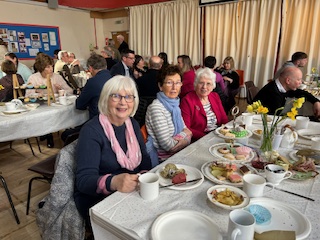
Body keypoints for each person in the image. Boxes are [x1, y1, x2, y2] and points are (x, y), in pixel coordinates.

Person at [74, 75, 152, 227]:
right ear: (105, 99)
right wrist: (113, 182)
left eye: (128, 97)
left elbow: (145, 159)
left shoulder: (132, 124)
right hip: (98, 199)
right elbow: (83, 181)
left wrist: (143, 177)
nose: (123, 102)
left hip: (131, 191)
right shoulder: (92, 131)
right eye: (116, 96)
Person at [145, 65, 192, 161]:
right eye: (169, 83)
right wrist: (186, 138)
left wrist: (186, 136)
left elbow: (187, 130)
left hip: (178, 154)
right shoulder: (156, 108)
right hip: (165, 160)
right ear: (160, 86)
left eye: (178, 83)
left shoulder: (175, 105)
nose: (174, 87)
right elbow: (168, 146)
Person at [26, 53, 73, 148]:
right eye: (48, 67)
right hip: (41, 106)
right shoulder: (33, 78)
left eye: (51, 66)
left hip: (56, 105)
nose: (51, 69)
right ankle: (48, 135)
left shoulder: (56, 77)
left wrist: (61, 90)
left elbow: (70, 91)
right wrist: (38, 94)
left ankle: (58, 133)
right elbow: (28, 95)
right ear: (41, 67)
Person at [180, 68, 228, 141]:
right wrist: (206, 137)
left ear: (213, 86)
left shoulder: (215, 96)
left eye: (208, 83)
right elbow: (186, 128)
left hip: (218, 135)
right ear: (195, 84)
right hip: (199, 140)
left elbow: (224, 119)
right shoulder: (187, 100)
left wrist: (225, 132)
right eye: (201, 83)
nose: (204, 87)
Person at [254, 66, 320, 117]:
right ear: (288, 81)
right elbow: (273, 119)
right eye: (299, 80)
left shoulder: (282, 87)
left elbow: (301, 93)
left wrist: (316, 101)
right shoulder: (272, 93)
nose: (301, 82)